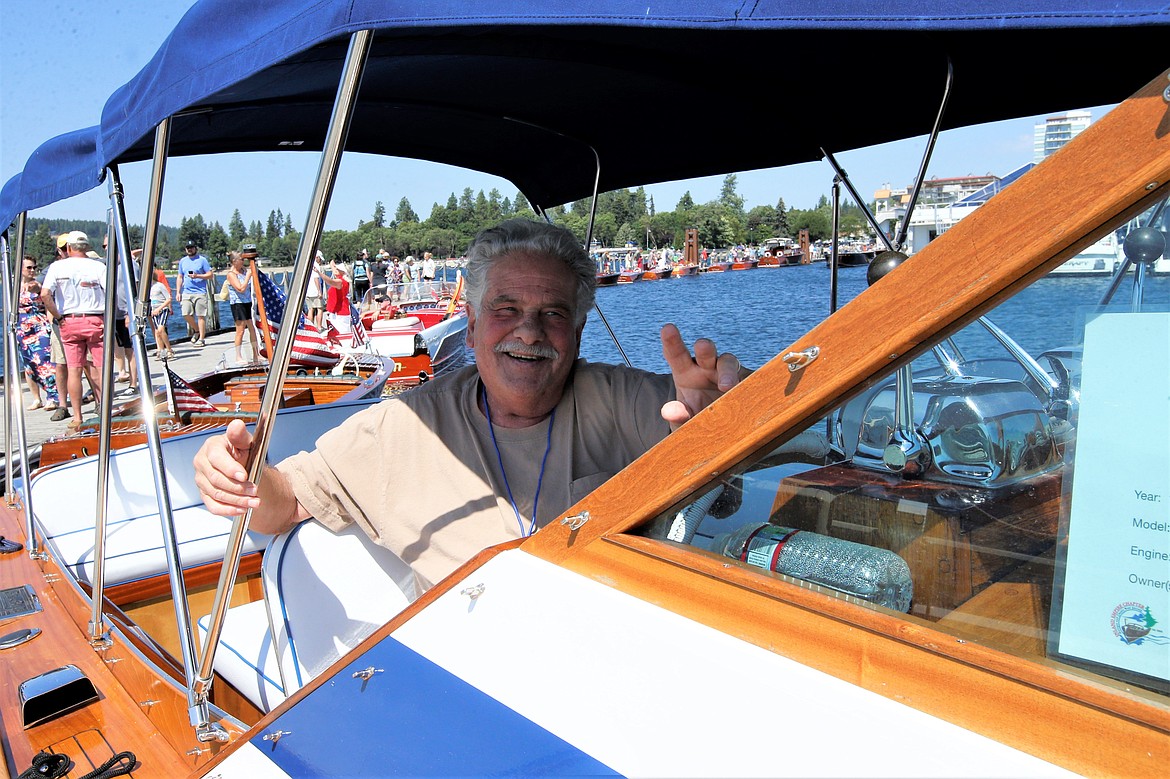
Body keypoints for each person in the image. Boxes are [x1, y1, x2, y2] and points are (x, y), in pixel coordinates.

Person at [193, 218, 746, 590]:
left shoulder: (643, 403)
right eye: (505, 309)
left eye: (553, 314)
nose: (529, 333)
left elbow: (725, 504)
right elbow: (284, 504)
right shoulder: (404, 424)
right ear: (474, 323)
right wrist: (241, 477)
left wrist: (720, 437)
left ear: (578, 330)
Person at [40, 231, 106, 430]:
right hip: (95, 318)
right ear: (86, 247)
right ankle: (104, 406)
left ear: (68, 248)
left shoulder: (57, 267)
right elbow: (110, 292)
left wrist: (58, 316)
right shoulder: (98, 266)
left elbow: (45, 294)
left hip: (69, 320)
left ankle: (77, 416)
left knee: (74, 370)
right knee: (101, 368)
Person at [17, 255, 60, 412]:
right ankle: (36, 398)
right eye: (29, 267)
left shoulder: (38, 285)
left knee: (44, 361)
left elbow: (47, 303)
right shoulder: (14, 287)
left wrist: (51, 324)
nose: (32, 270)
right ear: (20, 269)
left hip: (39, 327)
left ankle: (53, 396)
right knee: (28, 365)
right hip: (22, 329)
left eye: (34, 267)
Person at [227, 247, 261, 363]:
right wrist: (247, 277)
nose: (243, 261)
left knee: (253, 328)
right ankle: (238, 356)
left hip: (248, 302)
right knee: (240, 330)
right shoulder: (231, 274)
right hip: (238, 303)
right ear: (234, 261)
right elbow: (240, 288)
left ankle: (256, 354)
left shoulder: (245, 271)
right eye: (241, 259)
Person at [177, 239, 213, 346]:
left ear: (195, 248)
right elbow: (180, 276)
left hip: (200, 292)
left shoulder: (202, 260)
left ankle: (201, 338)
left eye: (191, 248)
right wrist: (178, 292)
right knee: (185, 313)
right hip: (186, 292)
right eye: (188, 248)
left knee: (201, 315)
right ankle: (196, 330)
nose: (190, 250)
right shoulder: (182, 261)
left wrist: (197, 276)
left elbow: (210, 275)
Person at [320, 260, 352, 335]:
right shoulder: (340, 279)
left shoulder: (341, 281)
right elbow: (332, 265)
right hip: (335, 313)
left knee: (343, 334)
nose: (336, 270)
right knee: (334, 335)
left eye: (338, 269)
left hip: (341, 314)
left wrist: (319, 273)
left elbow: (330, 281)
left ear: (343, 272)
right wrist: (332, 264)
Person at [149, 268, 175, 360]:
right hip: (153, 311)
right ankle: (161, 350)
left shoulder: (159, 285)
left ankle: (169, 349)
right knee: (157, 332)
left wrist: (160, 308)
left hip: (162, 309)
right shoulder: (147, 288)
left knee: (161, 329)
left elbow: (168, 298)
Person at [305, 251, 326, 328]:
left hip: (308, 291)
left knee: (310, 309)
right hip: (315, 291)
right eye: (320, 259)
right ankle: (319, 327)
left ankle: (311, 327)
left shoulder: (307, 265)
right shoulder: (316, 266)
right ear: (317, 257)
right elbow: (316, 279)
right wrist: (319, 291)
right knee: (320, 309)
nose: (320, 261)